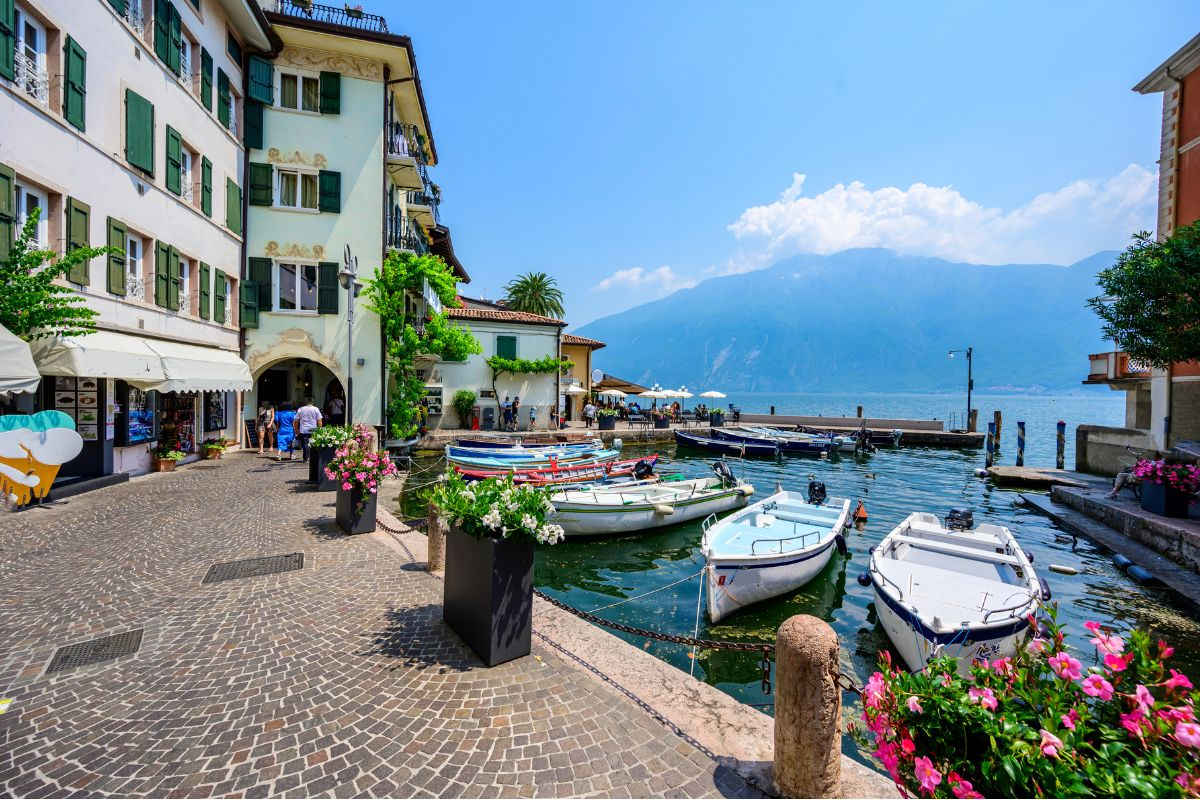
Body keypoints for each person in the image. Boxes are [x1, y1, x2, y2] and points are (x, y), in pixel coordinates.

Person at [294, 396, 323, 461]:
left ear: (305, 402)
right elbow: (319, 420)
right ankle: (313, 457)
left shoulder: (301, 409)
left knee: (305, 444)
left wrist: (296, 429)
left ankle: (306, 458)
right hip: (313, 429)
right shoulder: (316, 409)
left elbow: (296, 421)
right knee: (313, 443)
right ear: (312, 402)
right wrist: (320, 429)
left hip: (304, 429)